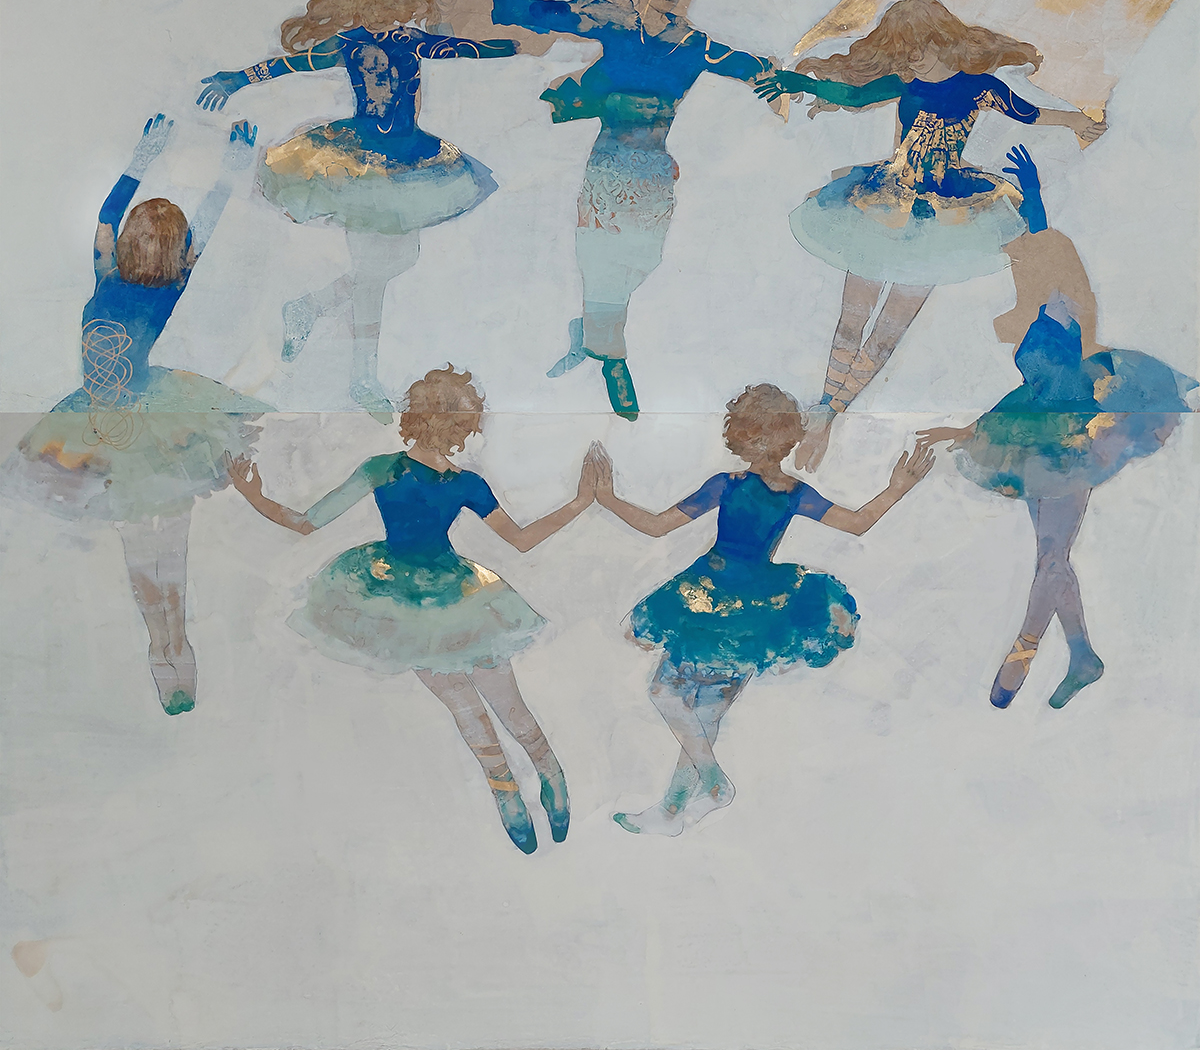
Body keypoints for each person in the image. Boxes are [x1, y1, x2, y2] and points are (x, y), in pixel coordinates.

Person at [226, 366, 599, 855]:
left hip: (425, 600)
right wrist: (580, 502)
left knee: (480, 704)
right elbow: (523, 540)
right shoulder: (422, 475)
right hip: (426, 600)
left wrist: (253, 496)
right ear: (458, 425)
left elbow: (304, 522)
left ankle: (535, 781)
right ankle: (528, 784)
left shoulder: (416, 474)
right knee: (488, 703)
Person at [753, 0, 1107, 468]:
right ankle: (823, 406)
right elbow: (853, 96)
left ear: (940, 38)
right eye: (903, 48)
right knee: (852, 318)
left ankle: (831, 415)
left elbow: (1029, 113)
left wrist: (1079, 120)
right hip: (883, 203)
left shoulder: (979, 86)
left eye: (918, 45)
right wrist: (797, 80)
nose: (912, 56)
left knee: (887, 331)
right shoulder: (905, 82)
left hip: (943, 217)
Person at [196, 0, 537, 418]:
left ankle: (311, 308)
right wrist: (237, 79)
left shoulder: (410, 40)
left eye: (403, 2)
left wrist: (512, 46)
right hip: (359, 168)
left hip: (411, 161)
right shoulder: (349, 43)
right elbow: (292, 64)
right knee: (374, 274)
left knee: (396, 261)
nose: (397, 11)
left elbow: (463, 49)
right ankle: (362, 378)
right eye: (391, 1)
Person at [4, 115, 270, 715]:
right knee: (160, 539)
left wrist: (145, 155)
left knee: (148, 541)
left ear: (129, 241)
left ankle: (169, 643)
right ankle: (168, 642)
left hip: (141, 421)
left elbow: (108, 214)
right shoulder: (170, 280)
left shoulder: (111, 271)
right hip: (117, 421)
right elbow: (206, 220)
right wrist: (228, 166)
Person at [916, 147, 1195, 709]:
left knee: (1050, 555)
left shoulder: (1066, 314)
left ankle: (1024, 651)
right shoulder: (1038, 310)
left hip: (1075, 445)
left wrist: (1034, 204)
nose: (1008, 255)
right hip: (1036, 444)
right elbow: (1031, 391)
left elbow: (1053, 268)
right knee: (1053, 557)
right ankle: (1082, 654)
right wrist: (970, 430)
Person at [587, 385, 933, 834]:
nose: (759, 444)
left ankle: (693, 798)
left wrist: (898, 488)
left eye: (763, 434)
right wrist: (607, 498)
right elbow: (657, 526)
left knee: (680, 701)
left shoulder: (755, 488)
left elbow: (856, 523)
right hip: (724, 602)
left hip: (730, 603)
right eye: (755, 434)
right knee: (694, 709)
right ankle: (686, 804)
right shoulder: (753, 488)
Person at [491, 0, 775, 419]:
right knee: (602, 261)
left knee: (641, 260)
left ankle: (591, 331)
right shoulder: (617, 24)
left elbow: (748, 66)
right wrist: (482, 9)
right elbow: (546, 14)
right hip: (610, 165)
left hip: (654, 172)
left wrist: (780, 81)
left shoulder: (694, 46)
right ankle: (612, 362)